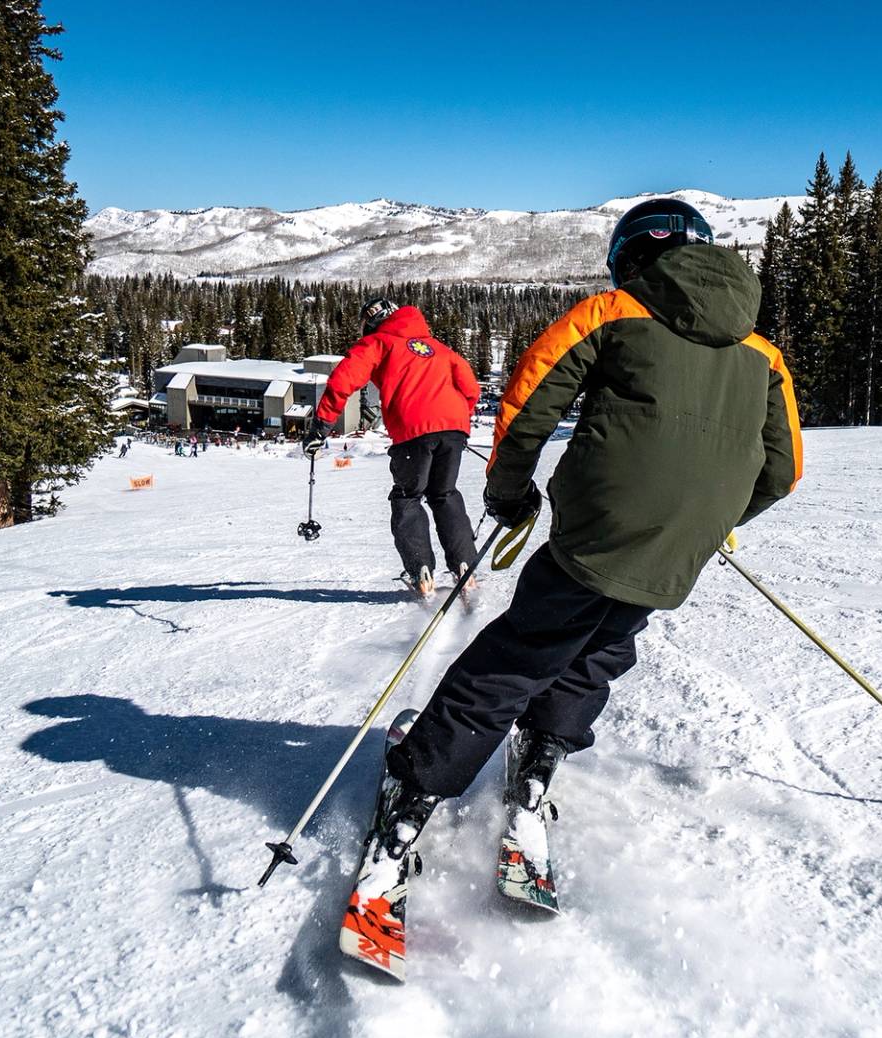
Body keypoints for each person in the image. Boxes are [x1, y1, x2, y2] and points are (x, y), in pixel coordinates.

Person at [354, 197, 803, 865]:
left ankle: (416, 785)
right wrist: (709, 519)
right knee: (602, 644)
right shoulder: (762, 352)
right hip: (681, 547)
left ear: (628, 256)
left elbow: (532, 398)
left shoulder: (614, 312)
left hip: (598, 524)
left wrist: (508, 490)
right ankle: (539, 761)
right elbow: (784, 469)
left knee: (523, 652)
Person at [306, 298, 482, 598]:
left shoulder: (379, 342)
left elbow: (343, 380)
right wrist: (453, 420)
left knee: (408, 496)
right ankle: (465, 565)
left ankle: (420, 569)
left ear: (371, 322)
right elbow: (471, 388)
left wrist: (321, 425)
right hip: (453, 429)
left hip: (412, 430)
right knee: (444, 494)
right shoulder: (437, 347)